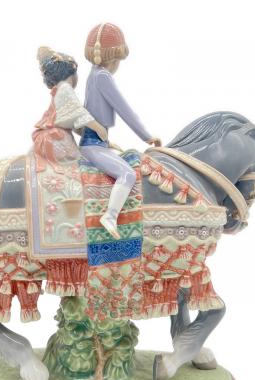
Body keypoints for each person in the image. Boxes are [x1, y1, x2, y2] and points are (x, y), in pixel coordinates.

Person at [80, 23, 161, 239]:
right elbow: (124, 109)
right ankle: (110, 216)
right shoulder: (103, 77)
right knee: (127, 173)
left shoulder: (93, 74)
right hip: (92, 145)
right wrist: (146, 136)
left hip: (98, 142)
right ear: (114, 59)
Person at [33, 47, 107, 174]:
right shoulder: (65, 88)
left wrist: (89, 135)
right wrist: (99, 129)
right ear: (72, 74)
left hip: (52, 136)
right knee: (83, 163)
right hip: (57, 139)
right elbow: (78, 112)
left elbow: (72, 120)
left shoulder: (59, 90)